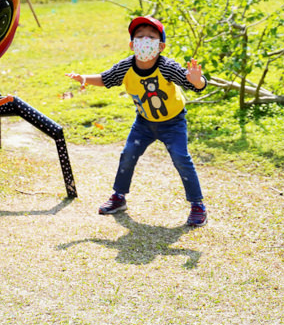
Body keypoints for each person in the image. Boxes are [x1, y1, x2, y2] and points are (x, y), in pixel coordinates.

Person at [66, 16, 209, 227]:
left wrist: (197, 79)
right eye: (140, 36)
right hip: (143, 123)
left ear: (161, 46)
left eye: (151, 37)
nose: (145, 40)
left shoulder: (167, 67)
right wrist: (85, 78)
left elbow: (195, 84)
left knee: (181, 158)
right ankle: (118, 197)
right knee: (128, 155)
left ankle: (198, 206)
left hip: (173, 123)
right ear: (132, 44)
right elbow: (106, 79)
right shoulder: (126, 67)